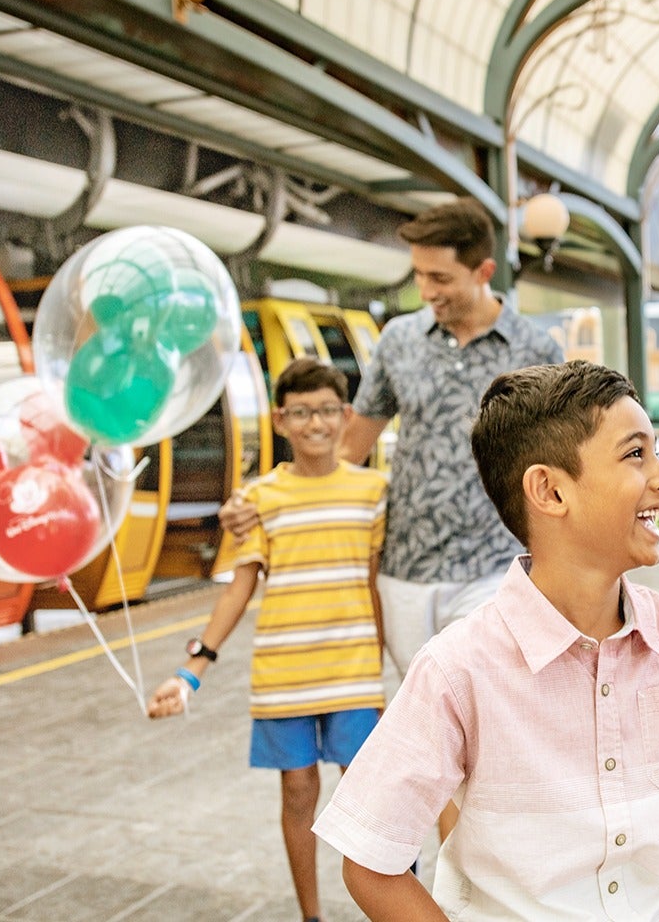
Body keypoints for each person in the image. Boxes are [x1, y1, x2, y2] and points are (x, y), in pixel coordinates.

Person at [311, 361, 659, 922]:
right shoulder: (457, 669)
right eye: (635, 455)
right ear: (549, 490)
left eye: (657, 452)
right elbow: (370, 863)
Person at [225, 199, 561, 678]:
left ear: (484, 270)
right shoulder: (398, 341)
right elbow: (345, 452)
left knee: (490, 701)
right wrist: (266, 504)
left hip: (496, 564)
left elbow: (559, 459)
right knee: (425, 709)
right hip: (404, 570)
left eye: (440, 278)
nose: (425, 290)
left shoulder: (537, 350)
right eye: (419, 275)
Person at [148, 358, 388, 922]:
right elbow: (239, 588)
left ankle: (388, 907)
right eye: (301, 413)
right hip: (283, 675)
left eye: (327, 411)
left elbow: (378, 585)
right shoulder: (259, 499)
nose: (315, 424)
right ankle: (312, 916)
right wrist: (193, 671)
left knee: (372, 800)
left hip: (354, 671)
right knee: (298, 794)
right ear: (280, 420)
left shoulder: (374, 491)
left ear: (346, 415)